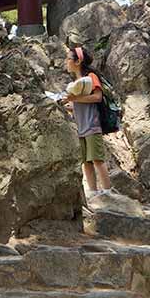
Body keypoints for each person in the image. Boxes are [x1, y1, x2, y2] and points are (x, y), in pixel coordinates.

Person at [58, 47, 112, 200]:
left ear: (78, 61)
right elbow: (79, 104)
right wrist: (67, 105)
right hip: (81, 126)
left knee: (97, 159)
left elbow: (97, 97)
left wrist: (74, 99)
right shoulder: (77, 83)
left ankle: (107, 192)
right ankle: (93, 192)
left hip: (92, 124)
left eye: (68, 58)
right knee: (86, 161)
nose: (66, 62)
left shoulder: (91, 77)